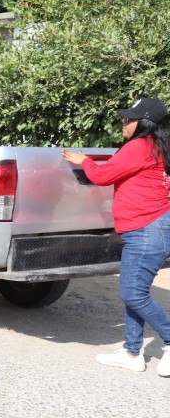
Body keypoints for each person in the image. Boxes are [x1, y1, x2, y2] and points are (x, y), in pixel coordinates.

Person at [63, 97, 170, 376]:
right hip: (149, 228)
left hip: (146, 230)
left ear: (143, 123)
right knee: (135, 292)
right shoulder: (156, 146)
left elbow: (103, 175)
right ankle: (132, 352)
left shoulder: (138, 146)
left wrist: (83, 159)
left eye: (129, 119)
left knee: (133, 293)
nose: (124, 123)